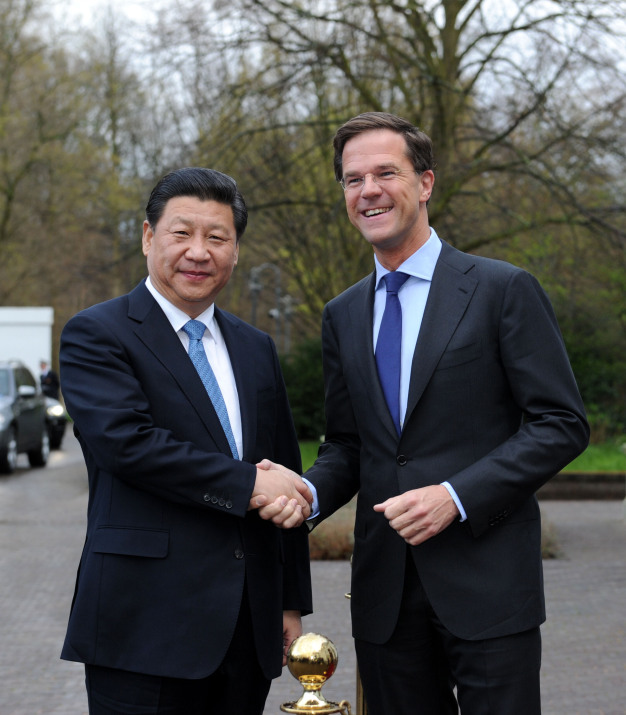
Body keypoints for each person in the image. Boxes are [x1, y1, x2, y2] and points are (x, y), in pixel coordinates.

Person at [258, 112, 590, 714]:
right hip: (386, 596)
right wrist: (304, 492)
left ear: (426, 182)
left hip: (489, 585)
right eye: (353, 179)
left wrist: (456, 495)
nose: (369, 190)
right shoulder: (343, 313)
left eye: (386, 172)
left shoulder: (501, 289)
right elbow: (350, 445)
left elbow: (561, 423)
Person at [59, 167, 313, 715]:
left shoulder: (256, 348)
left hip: (248, 629)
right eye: (182, 233)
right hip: (143, 627)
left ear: (236, 250)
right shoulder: (98, 334)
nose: (199, 251)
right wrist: (249, 483)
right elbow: (127, 444)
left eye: (217, 237)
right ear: (149, 237)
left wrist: (291, 603)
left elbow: (285, 472)